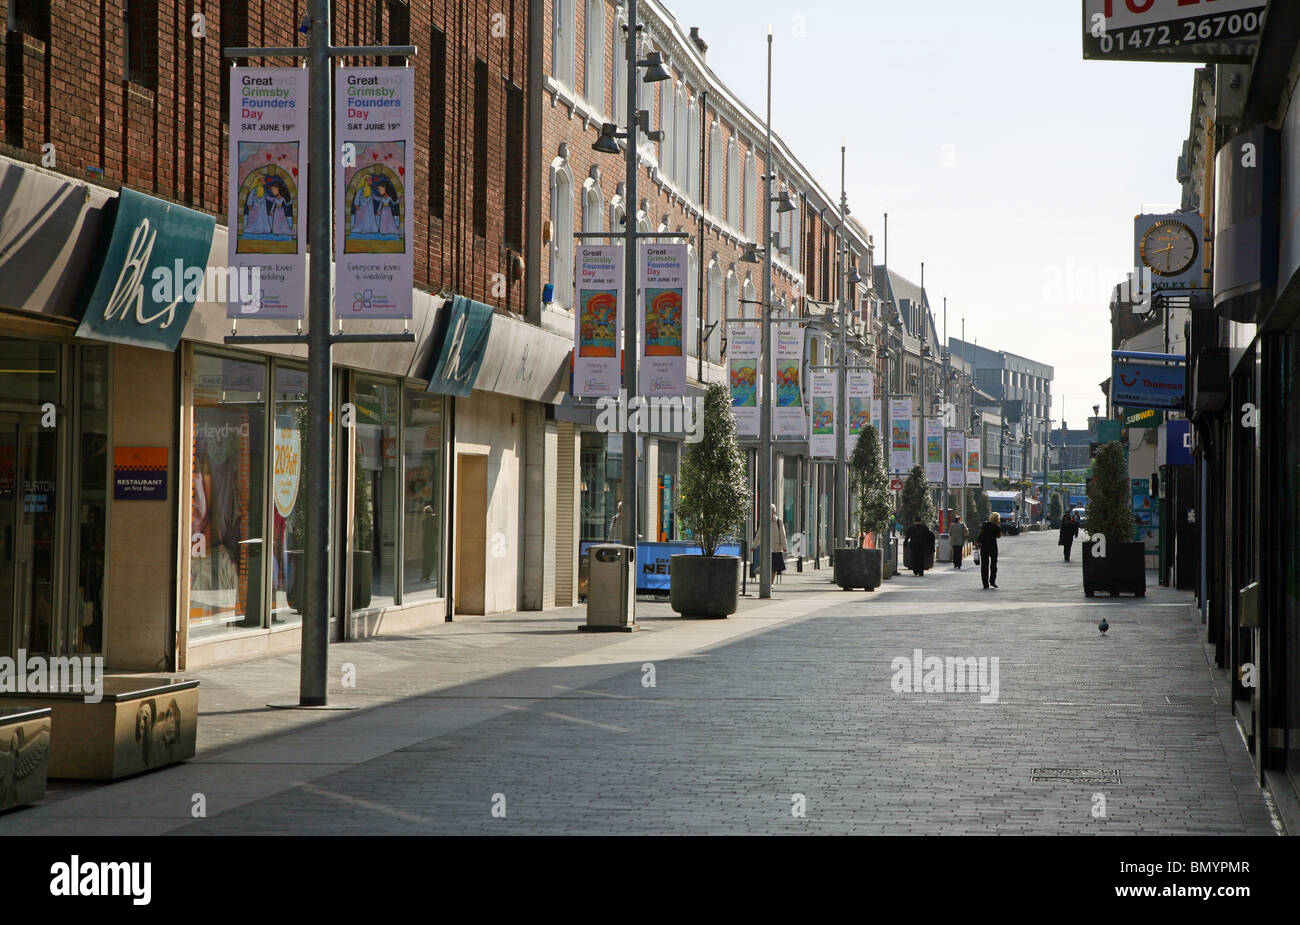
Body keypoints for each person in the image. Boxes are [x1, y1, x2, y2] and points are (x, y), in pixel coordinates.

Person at [754, 504, 788, 583]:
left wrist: (784, 546)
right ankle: (766, 582)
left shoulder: (779, 521)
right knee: (766, 566)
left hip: (776, 548)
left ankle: (771, 582)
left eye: (772, 511)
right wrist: (754, 546)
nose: (771, 513)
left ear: (774, 512)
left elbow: (782, 534)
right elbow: (759, 534)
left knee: (774, 567)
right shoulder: (764, 522)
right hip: (766, 548)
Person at [976, 511, 1002, 589]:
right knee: (993, 565)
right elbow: (998, 536)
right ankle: (992, 581)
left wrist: (977, 542)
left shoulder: (984, 525)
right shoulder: (997, 527)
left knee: (984, 566)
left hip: (984, 547)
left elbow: (980, 534)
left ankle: (985, 584)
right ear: (997, 519)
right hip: (993, 547)